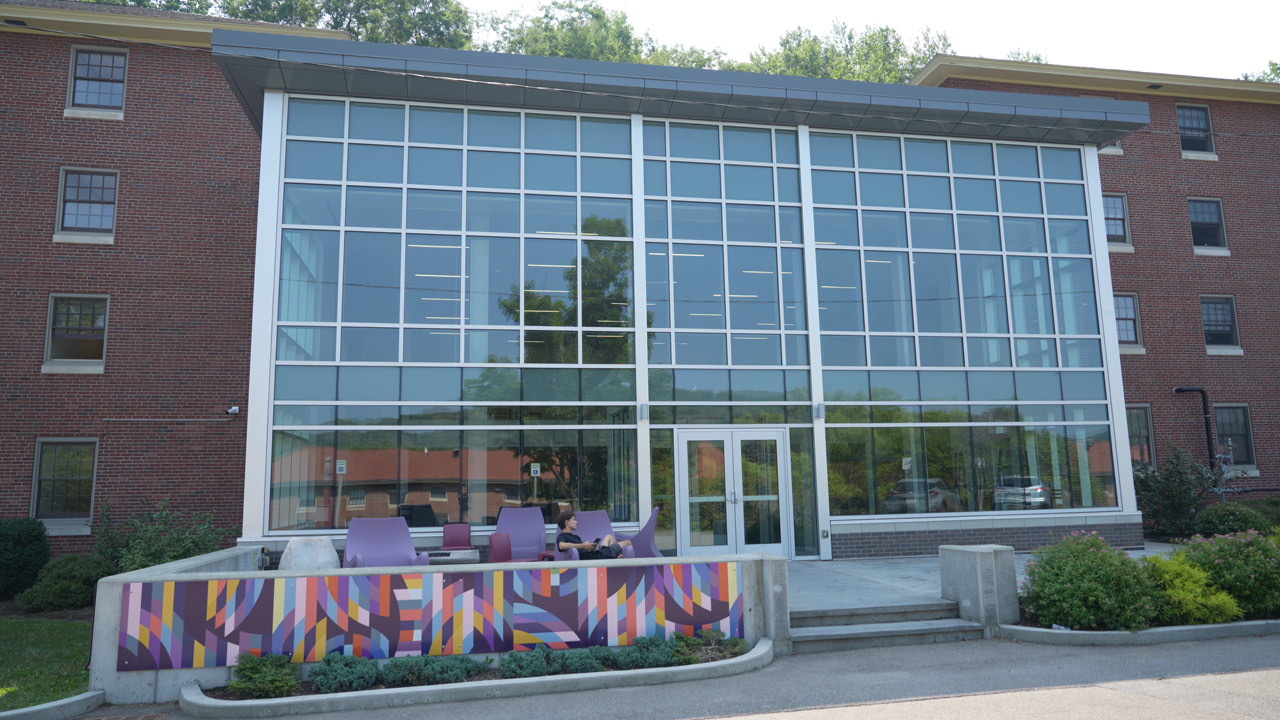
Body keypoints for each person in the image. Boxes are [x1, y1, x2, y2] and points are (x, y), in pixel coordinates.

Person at [556, 510, 631, 560]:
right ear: (567, 522)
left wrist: (590, 547)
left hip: (597, 553)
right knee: (628, 542)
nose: (577, 522)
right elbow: (561, 546)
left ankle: (615, 556)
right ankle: (616, 557)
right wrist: (583, 545)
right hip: (598, 556)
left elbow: (582, 550)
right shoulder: (562, 536)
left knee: (609, 537)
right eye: (574, 519)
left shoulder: (575, 537)